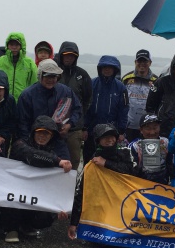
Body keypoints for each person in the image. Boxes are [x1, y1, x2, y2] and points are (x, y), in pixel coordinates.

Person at [1, 115, 73, 243]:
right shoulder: (20, 144)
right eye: (39, 133)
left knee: (45, 218)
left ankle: (27, 225)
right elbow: (32, 155)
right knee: (12, 201)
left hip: (40, 193)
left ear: (52, 136)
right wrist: (57, 161)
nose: (42, 136)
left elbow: (65, 177)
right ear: (33, 132)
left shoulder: (59, 149)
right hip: (17, 191)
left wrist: (62, 205)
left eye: (46, 134)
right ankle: (11, 228)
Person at [68, 124, 135, 240]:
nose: (109, 139)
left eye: (112, 136)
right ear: (98, 141)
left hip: (125, 202)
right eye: (105, 137)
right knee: (104, 241)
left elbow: (133, 173)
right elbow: (82, 192)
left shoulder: (126, 152)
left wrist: (107, 163)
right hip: (103, 205)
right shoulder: (93, 162)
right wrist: (73, 223)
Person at [17, 59, 81, 142]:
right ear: (40, 76)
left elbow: (77, 108)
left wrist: (70, 124)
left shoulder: (66, 92)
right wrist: (28, 141)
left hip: (57, 139)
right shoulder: (27, 95)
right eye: (47, 76)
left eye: (53, 76)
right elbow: (22, 122)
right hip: (33, 139)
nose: (50, 80)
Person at [84, 56, 129, 162]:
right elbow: (86, 108)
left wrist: (121, 131)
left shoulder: (121, 88)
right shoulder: (91, 84)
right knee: (88, 160)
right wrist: (84, 128)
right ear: (100, 69)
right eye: (104, 67)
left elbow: (124, 110)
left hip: (111, 132)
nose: (107, 69)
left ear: (115, 70)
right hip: (92, 132)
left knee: (109, 161)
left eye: (110, 67)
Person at [55, 41, 92, 170]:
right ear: (61, 55)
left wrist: (83, 125)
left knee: (74, 161)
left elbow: (88, 100)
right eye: (66, 55)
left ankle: (71, 189)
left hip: (75, 128)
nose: (69, 58)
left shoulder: (83, 75)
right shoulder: (54, 73)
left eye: (72, 56)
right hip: (54, 128)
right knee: (55, 160)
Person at [121, 49, 158, 142]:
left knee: (147, 153)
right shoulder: (126, 78)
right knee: (129, 152)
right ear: (135, 62)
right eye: (139, 61)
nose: (142, 64)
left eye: (145, 61)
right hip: (129, 126)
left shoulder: (157, 81)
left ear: (150, 62)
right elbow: (120, 101)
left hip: (148, 127)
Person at [0, 32, 38, 102]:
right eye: (11, 44)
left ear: (22, 46)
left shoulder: (30, 63)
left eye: (17, 45)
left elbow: (34, 84)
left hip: (23, 103)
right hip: (3, 103)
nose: (14, 47)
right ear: (7, 45)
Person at [128, 113, 173, 184]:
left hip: (163, 185)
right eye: (148, 128)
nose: (152, 132)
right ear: (141, 130)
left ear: (159, 127)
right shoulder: (134, 146)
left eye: (155, 128)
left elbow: (171, 165)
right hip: (141, 185)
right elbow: (129, 171)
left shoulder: (165, 142)